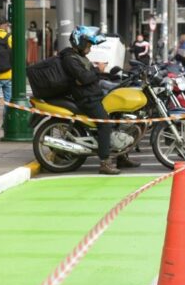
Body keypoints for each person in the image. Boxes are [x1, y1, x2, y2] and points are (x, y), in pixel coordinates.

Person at [60, 25, 141, 175]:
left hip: (93, 94)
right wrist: (98, 70)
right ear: (80, 43)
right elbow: (84, 78)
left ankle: (121, 156)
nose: (90, 48)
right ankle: (104, 163)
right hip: (86, 99)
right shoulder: (69, 59)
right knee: (105, 125)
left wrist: (111, 76)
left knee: (118, 117)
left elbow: (89, 76)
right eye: (88, 45)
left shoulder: (78, 57)